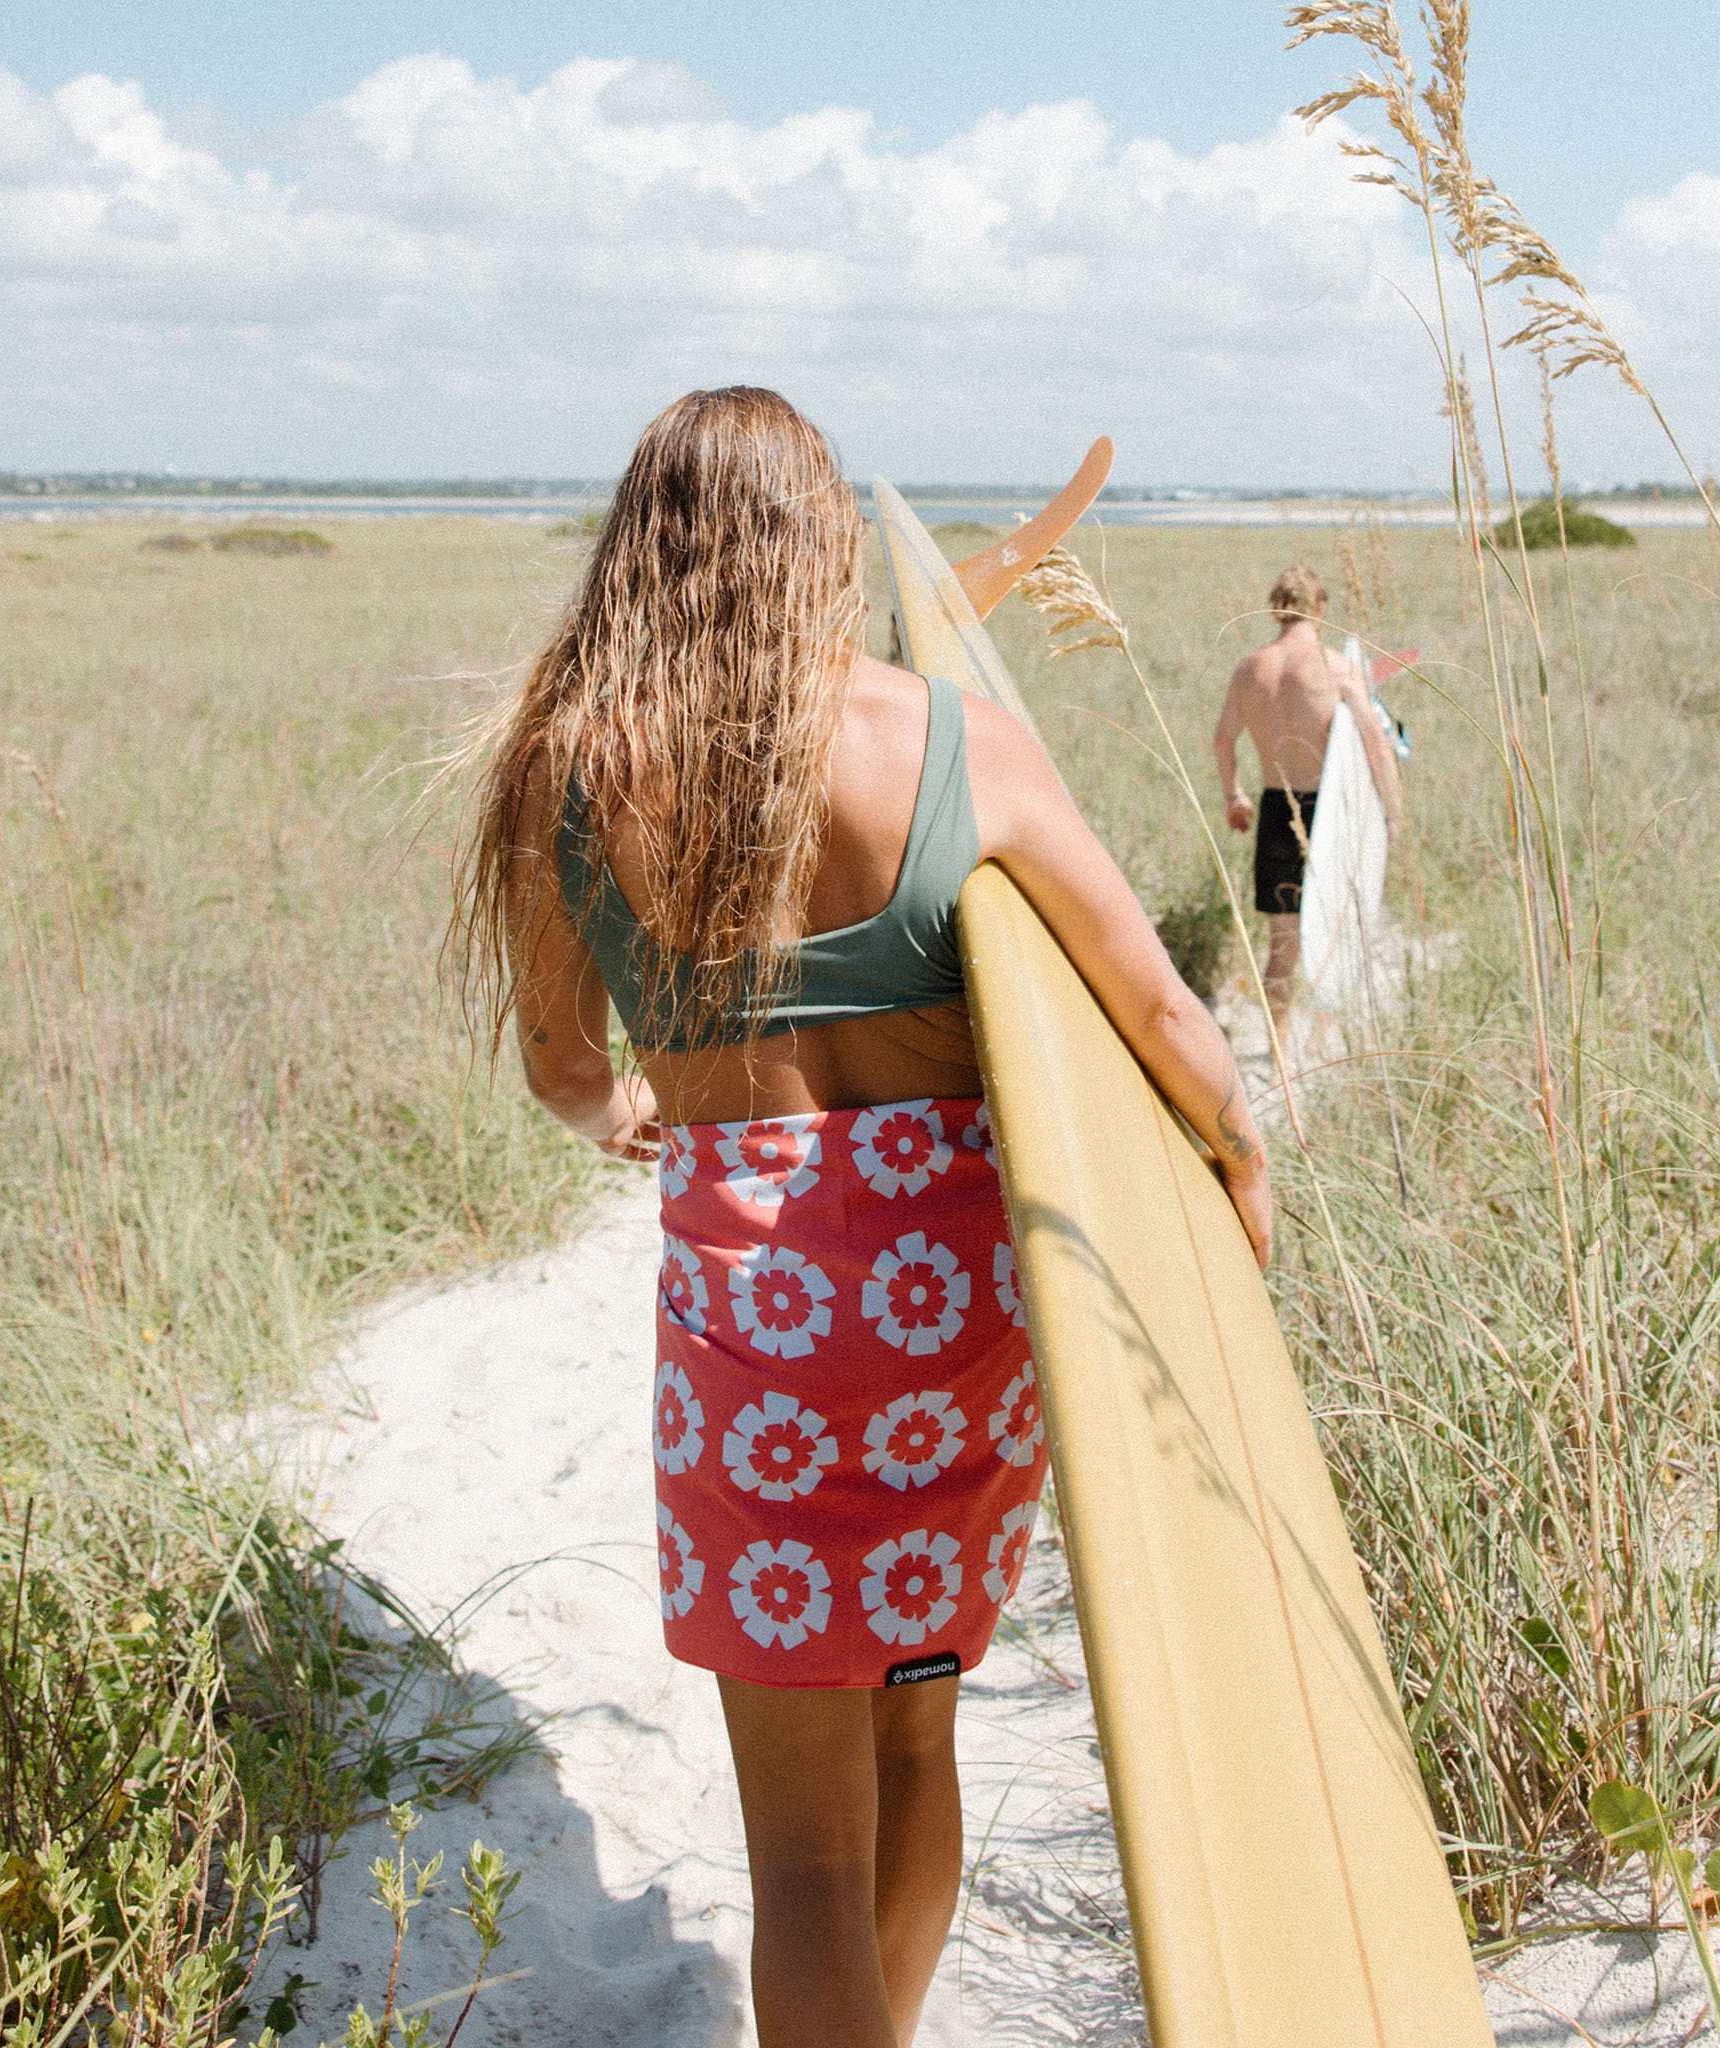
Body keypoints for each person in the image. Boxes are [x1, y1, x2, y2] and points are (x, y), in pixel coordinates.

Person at [451, 387, 1270, 2047]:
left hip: (752, 1340)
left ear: (640, 549)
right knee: (917, 1736)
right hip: (944, 1330)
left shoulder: (570, 766)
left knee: (805, 1855)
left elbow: (558, 1063)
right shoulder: (945, 739)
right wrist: (1240, 1172)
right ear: (819, 541)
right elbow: (1160, 1012)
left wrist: (630, 1113)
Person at [1213, 563, 1403, 1041]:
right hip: (1329, 814)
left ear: (1276, 607)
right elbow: (1378, 746)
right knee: (1336, 935)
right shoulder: (1336, 668)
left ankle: (1279, 1056)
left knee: (1283, 946)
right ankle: (1323, 1038)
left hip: (1276, 810)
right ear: (1320, 607)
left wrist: (1234, 794)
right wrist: (1393, 814)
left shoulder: (1250, 669)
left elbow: (1223, 740)